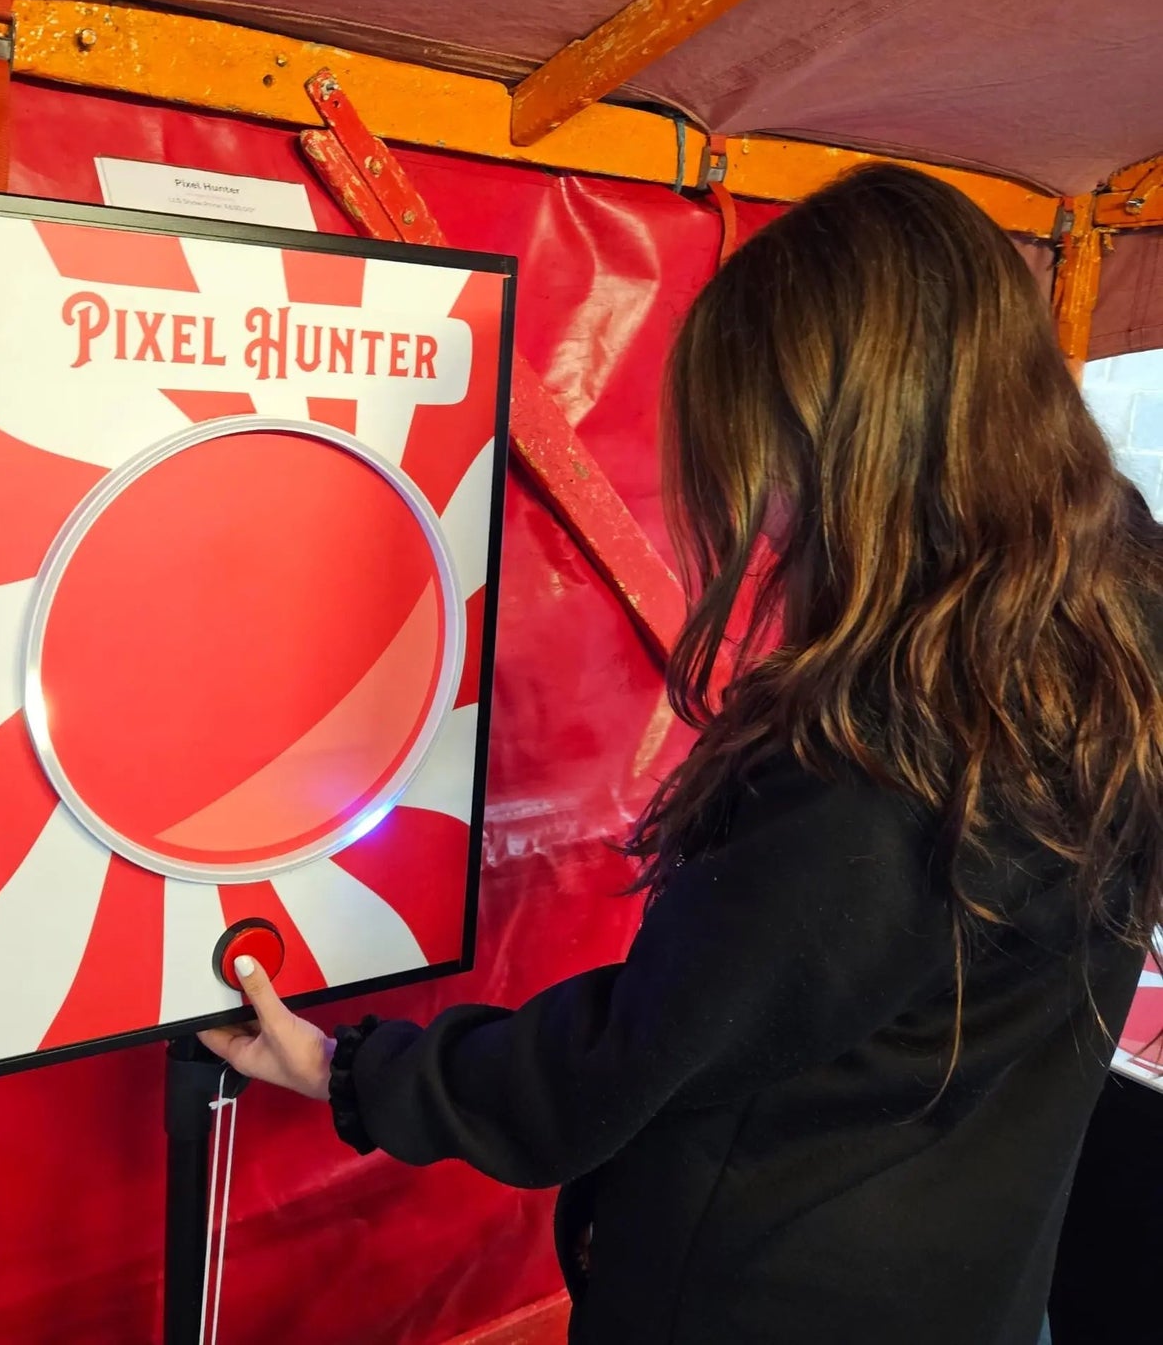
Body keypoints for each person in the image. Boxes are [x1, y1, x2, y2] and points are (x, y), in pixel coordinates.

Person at [201, 164, 1163, 1345]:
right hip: (980, 1281)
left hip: (770, 1292)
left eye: (764, 456)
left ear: (848, 440)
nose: (756, 514)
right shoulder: (1114, 608)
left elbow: (621, 1063)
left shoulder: (880, 762)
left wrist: (351, 1071)